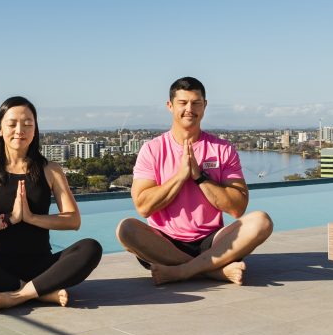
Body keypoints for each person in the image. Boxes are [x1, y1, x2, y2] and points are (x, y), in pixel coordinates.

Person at [0, 96, 102, 313]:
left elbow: (73, 220)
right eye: (12, 124)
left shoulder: (51, 170)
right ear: (0, 129)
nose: (20, 130)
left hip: (43, 266)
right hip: (0, 267)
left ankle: (17, 295)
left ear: (35, 130)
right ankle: (40, 292)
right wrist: (9, 220)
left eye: (28, 124)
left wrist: (31, 218)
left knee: (90, 248)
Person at [116, 77, 272, 286]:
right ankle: (212, 271)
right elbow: (143, 207)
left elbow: (238, 208)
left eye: (196, 102)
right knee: (126, 229)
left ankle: (182, 271)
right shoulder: (152, 150)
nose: (189, 108)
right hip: (164, 242)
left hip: (213, 241)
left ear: (204, 106)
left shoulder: (222, 149)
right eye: (182, 102)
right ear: (170, 106)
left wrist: (199, 177)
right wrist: (180, 176)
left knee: (261, 221)